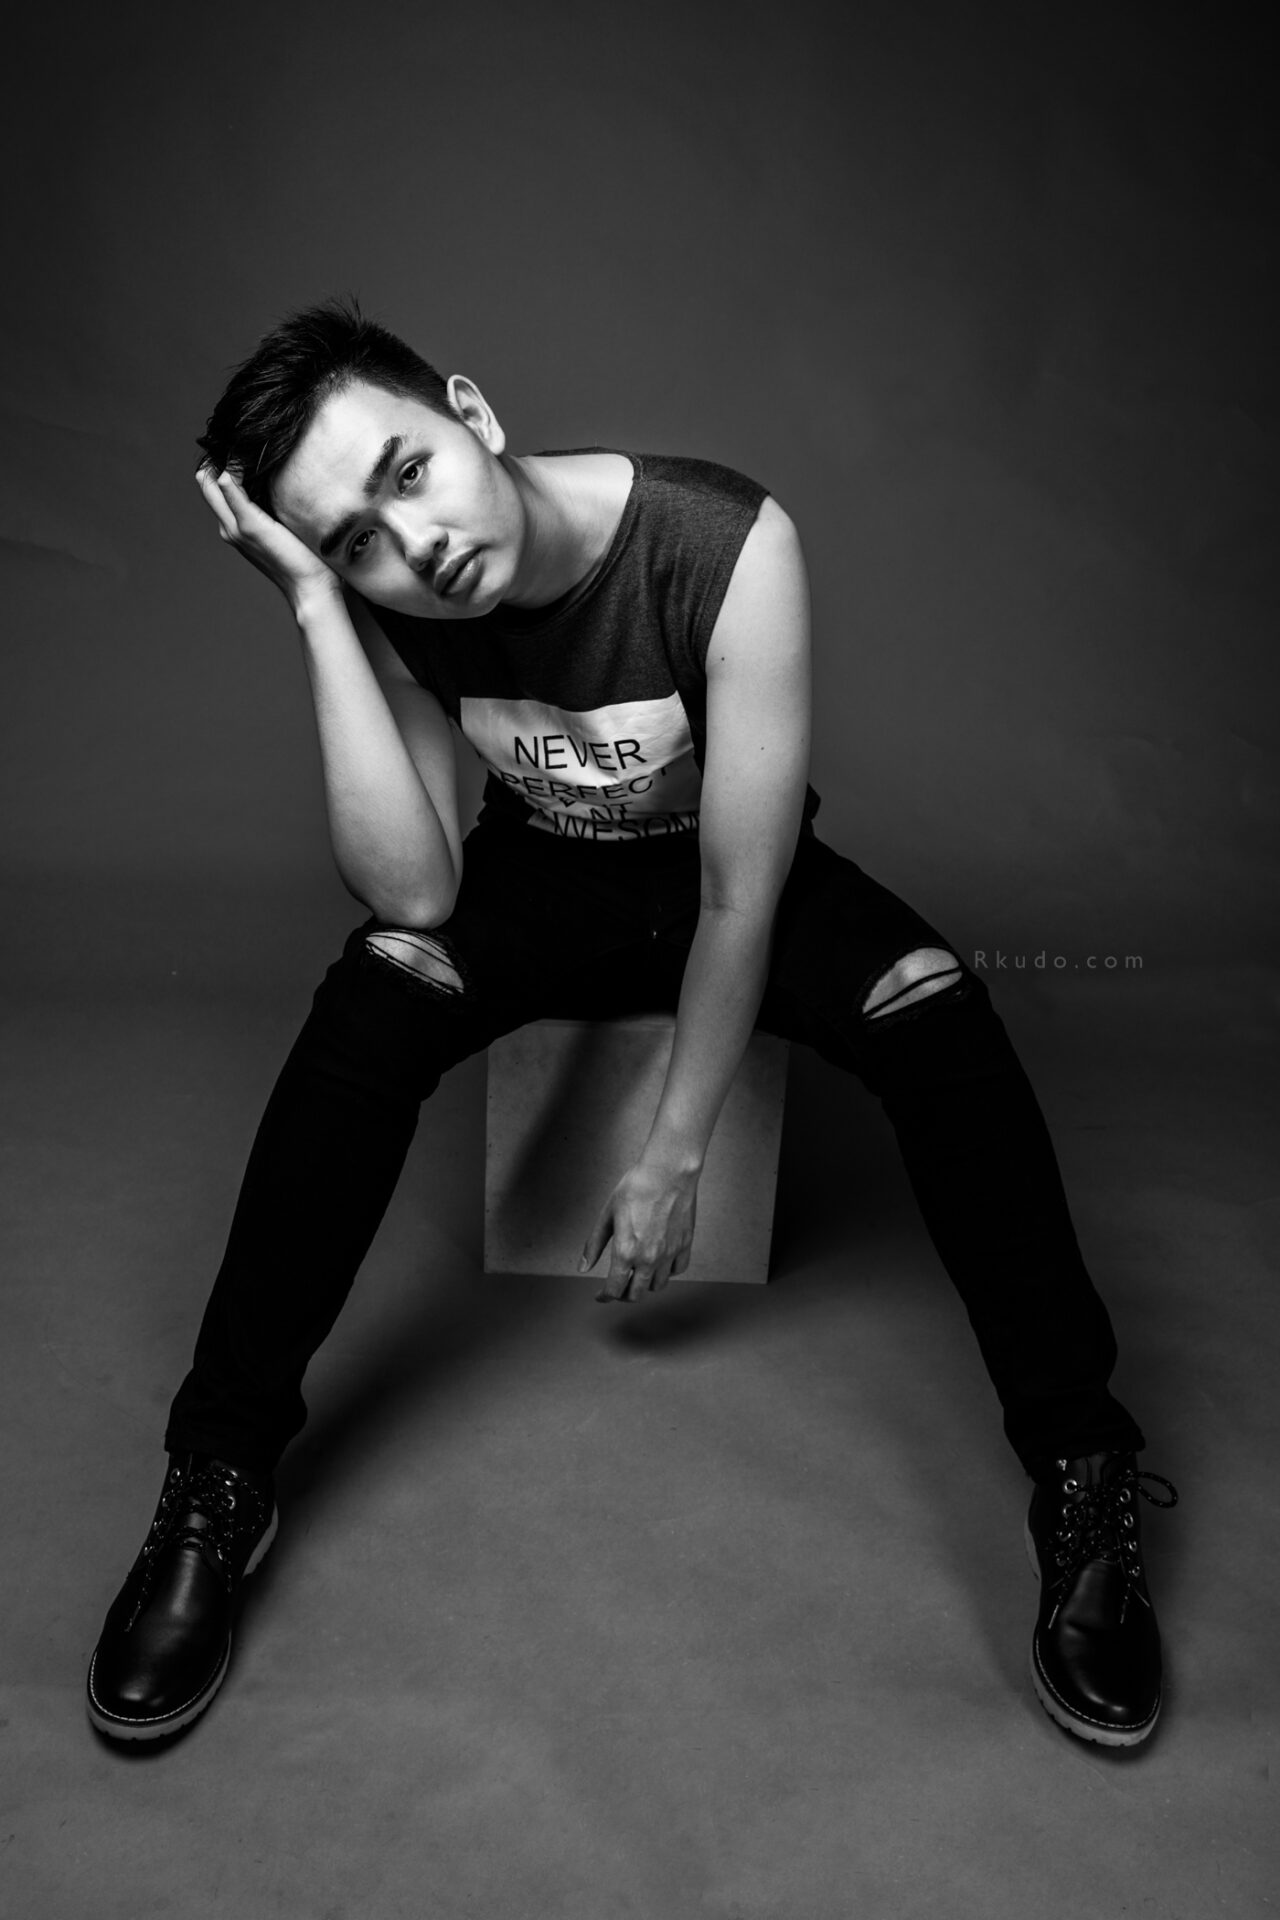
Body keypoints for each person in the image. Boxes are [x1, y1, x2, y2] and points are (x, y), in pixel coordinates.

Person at [86, 298, 1176, 1748]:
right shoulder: (384, 602)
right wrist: (316, 609)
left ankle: (1084, 1477)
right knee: (371, 996)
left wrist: (672, 1151)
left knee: (942, 1020)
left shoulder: (724, 541)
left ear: (469, 414)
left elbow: (740, 891)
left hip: (734, 877)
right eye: (356, 540)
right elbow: (416, 888)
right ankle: (217, 1483)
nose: (415, 544)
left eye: (408, 473)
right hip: (540, 880)